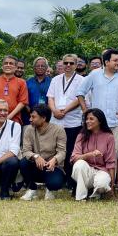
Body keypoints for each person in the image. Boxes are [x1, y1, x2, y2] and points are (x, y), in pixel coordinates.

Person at [77, 49, 118, 180]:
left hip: (116, 123)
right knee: (94, 153)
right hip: (96, 125)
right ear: (106, 62)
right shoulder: (94, 75)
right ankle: (92, 181)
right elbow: (80, 92)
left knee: (112, 154)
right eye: (115, 60)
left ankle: (109, 184)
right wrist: (85, 111)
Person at [47, 53, 85, 188]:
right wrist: (54, 110)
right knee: (54, 149)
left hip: (72, 121)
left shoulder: (81, 80)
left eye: (71, 63)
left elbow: (80, 98)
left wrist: (65, 111)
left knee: (70, 150)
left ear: (76, 65)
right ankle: (55, 177)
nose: (68, 65)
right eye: (66, 63)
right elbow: (50, 97)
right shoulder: (55, 79)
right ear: (62, 64)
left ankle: (70, 179)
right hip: (55, 120)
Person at [19, 104, 67, 201]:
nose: (30, 119)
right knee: (23, 162)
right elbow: (25, 151)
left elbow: (62, 152)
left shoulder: (58, 130)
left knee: (55, 184)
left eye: (33, 117)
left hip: (52, 167)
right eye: (30, 116)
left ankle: (50, 189)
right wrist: (35, 156)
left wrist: (54, 160)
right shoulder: (29, 129)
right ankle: (32, 188)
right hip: (36, 165)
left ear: (44, 118)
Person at [70, 108, 116, 201]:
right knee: (79, 164)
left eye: (91, 119)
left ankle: (96, 193)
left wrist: (112, 187)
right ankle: (81, 197)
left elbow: (111, 163)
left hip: (102, 171)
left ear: (100, 121)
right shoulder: (81, 136)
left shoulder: (109, 137)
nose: (87, 121)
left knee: (102, 185)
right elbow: (74, 158)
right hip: (86, 171)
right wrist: (89, 155)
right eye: (87, 119)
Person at [0, 55, 29, 124]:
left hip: (14, 119)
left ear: (16, 67)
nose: (8, 65)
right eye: (6, 63)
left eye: (11, 63)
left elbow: (22, 102)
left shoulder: (21, 82)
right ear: (2, 66)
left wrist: (9, 117)